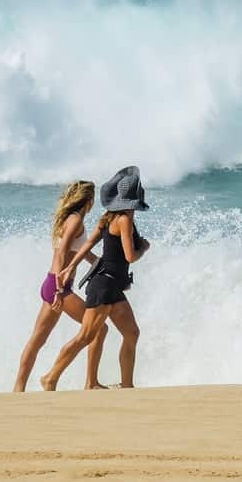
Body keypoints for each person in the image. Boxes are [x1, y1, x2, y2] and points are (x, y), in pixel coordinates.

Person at [41, 166, 150, 391]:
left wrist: (71, 265)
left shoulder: (107, 218)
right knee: (85, 336)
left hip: (110, 285)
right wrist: (144, 248)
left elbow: (88, 244)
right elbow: (131, 255)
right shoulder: (124, 220)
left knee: (131, 333)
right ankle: (50, 377)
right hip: (105, 286)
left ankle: (127, 385)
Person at [12, 180, 108, 392]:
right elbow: (63, 253)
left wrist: (106, 266)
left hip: (52, 284)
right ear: (89, 201)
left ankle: (18, 390)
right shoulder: (75, 220)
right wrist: (57, 289)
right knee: (99, 328)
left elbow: (82, 254)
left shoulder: (71, 219)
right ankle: (86, 382)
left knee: (37, 340)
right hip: (58, 287)